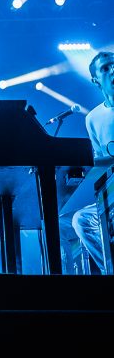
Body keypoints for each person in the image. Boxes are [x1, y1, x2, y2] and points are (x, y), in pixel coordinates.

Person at [70, 51, 114, 273]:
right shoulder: (93, 119)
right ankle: (110, 272)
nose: (113, 70)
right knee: (81, 220)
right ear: (96, 81)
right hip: (112, 192)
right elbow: (100, 163)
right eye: (105, 68)